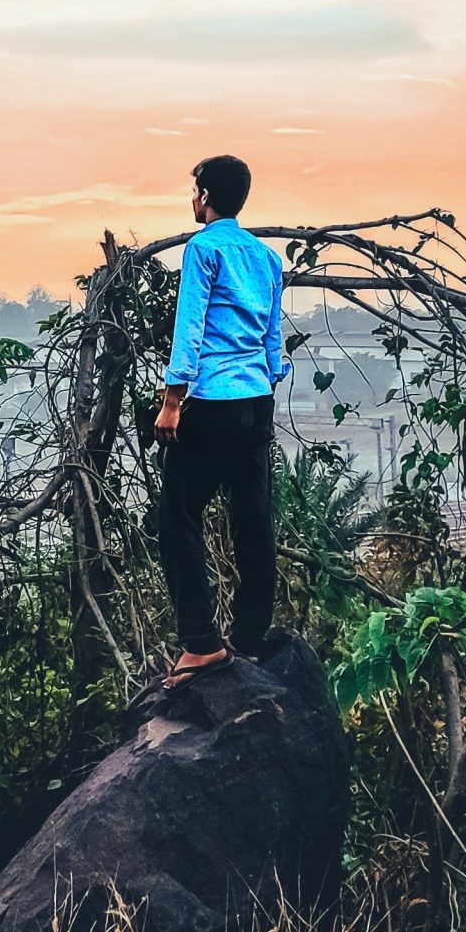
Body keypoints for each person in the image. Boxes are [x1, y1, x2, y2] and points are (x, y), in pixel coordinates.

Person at [151, 153, 286, 684]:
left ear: (205, 196)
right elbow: (273, 337)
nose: (192, 199)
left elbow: (190, 329)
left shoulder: (203, 248)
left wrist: (171, 401)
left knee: (177, 516)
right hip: (257, 400)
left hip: (211, 400)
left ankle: (202, 643)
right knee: (253, 521)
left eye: (194, 191)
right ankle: (249, 637)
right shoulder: (266, 258)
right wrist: (265, 384)